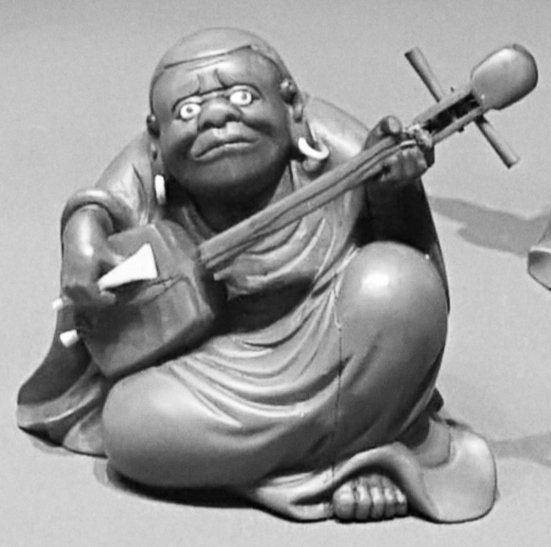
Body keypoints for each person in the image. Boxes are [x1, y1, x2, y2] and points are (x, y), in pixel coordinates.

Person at [18, 27, 496, 522]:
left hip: (333, 336)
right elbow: (99, 208)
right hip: (214, 362)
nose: (215, 117)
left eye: (243, 97)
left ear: (292, 106)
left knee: (399, 283)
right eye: (187, 111)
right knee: (129, 425)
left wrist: (393, 191)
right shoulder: (150, 161)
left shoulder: (328, 141)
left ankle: (327, 453)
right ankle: (350, 456)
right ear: (156, 138)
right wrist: (81, 237)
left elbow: (407, 245)